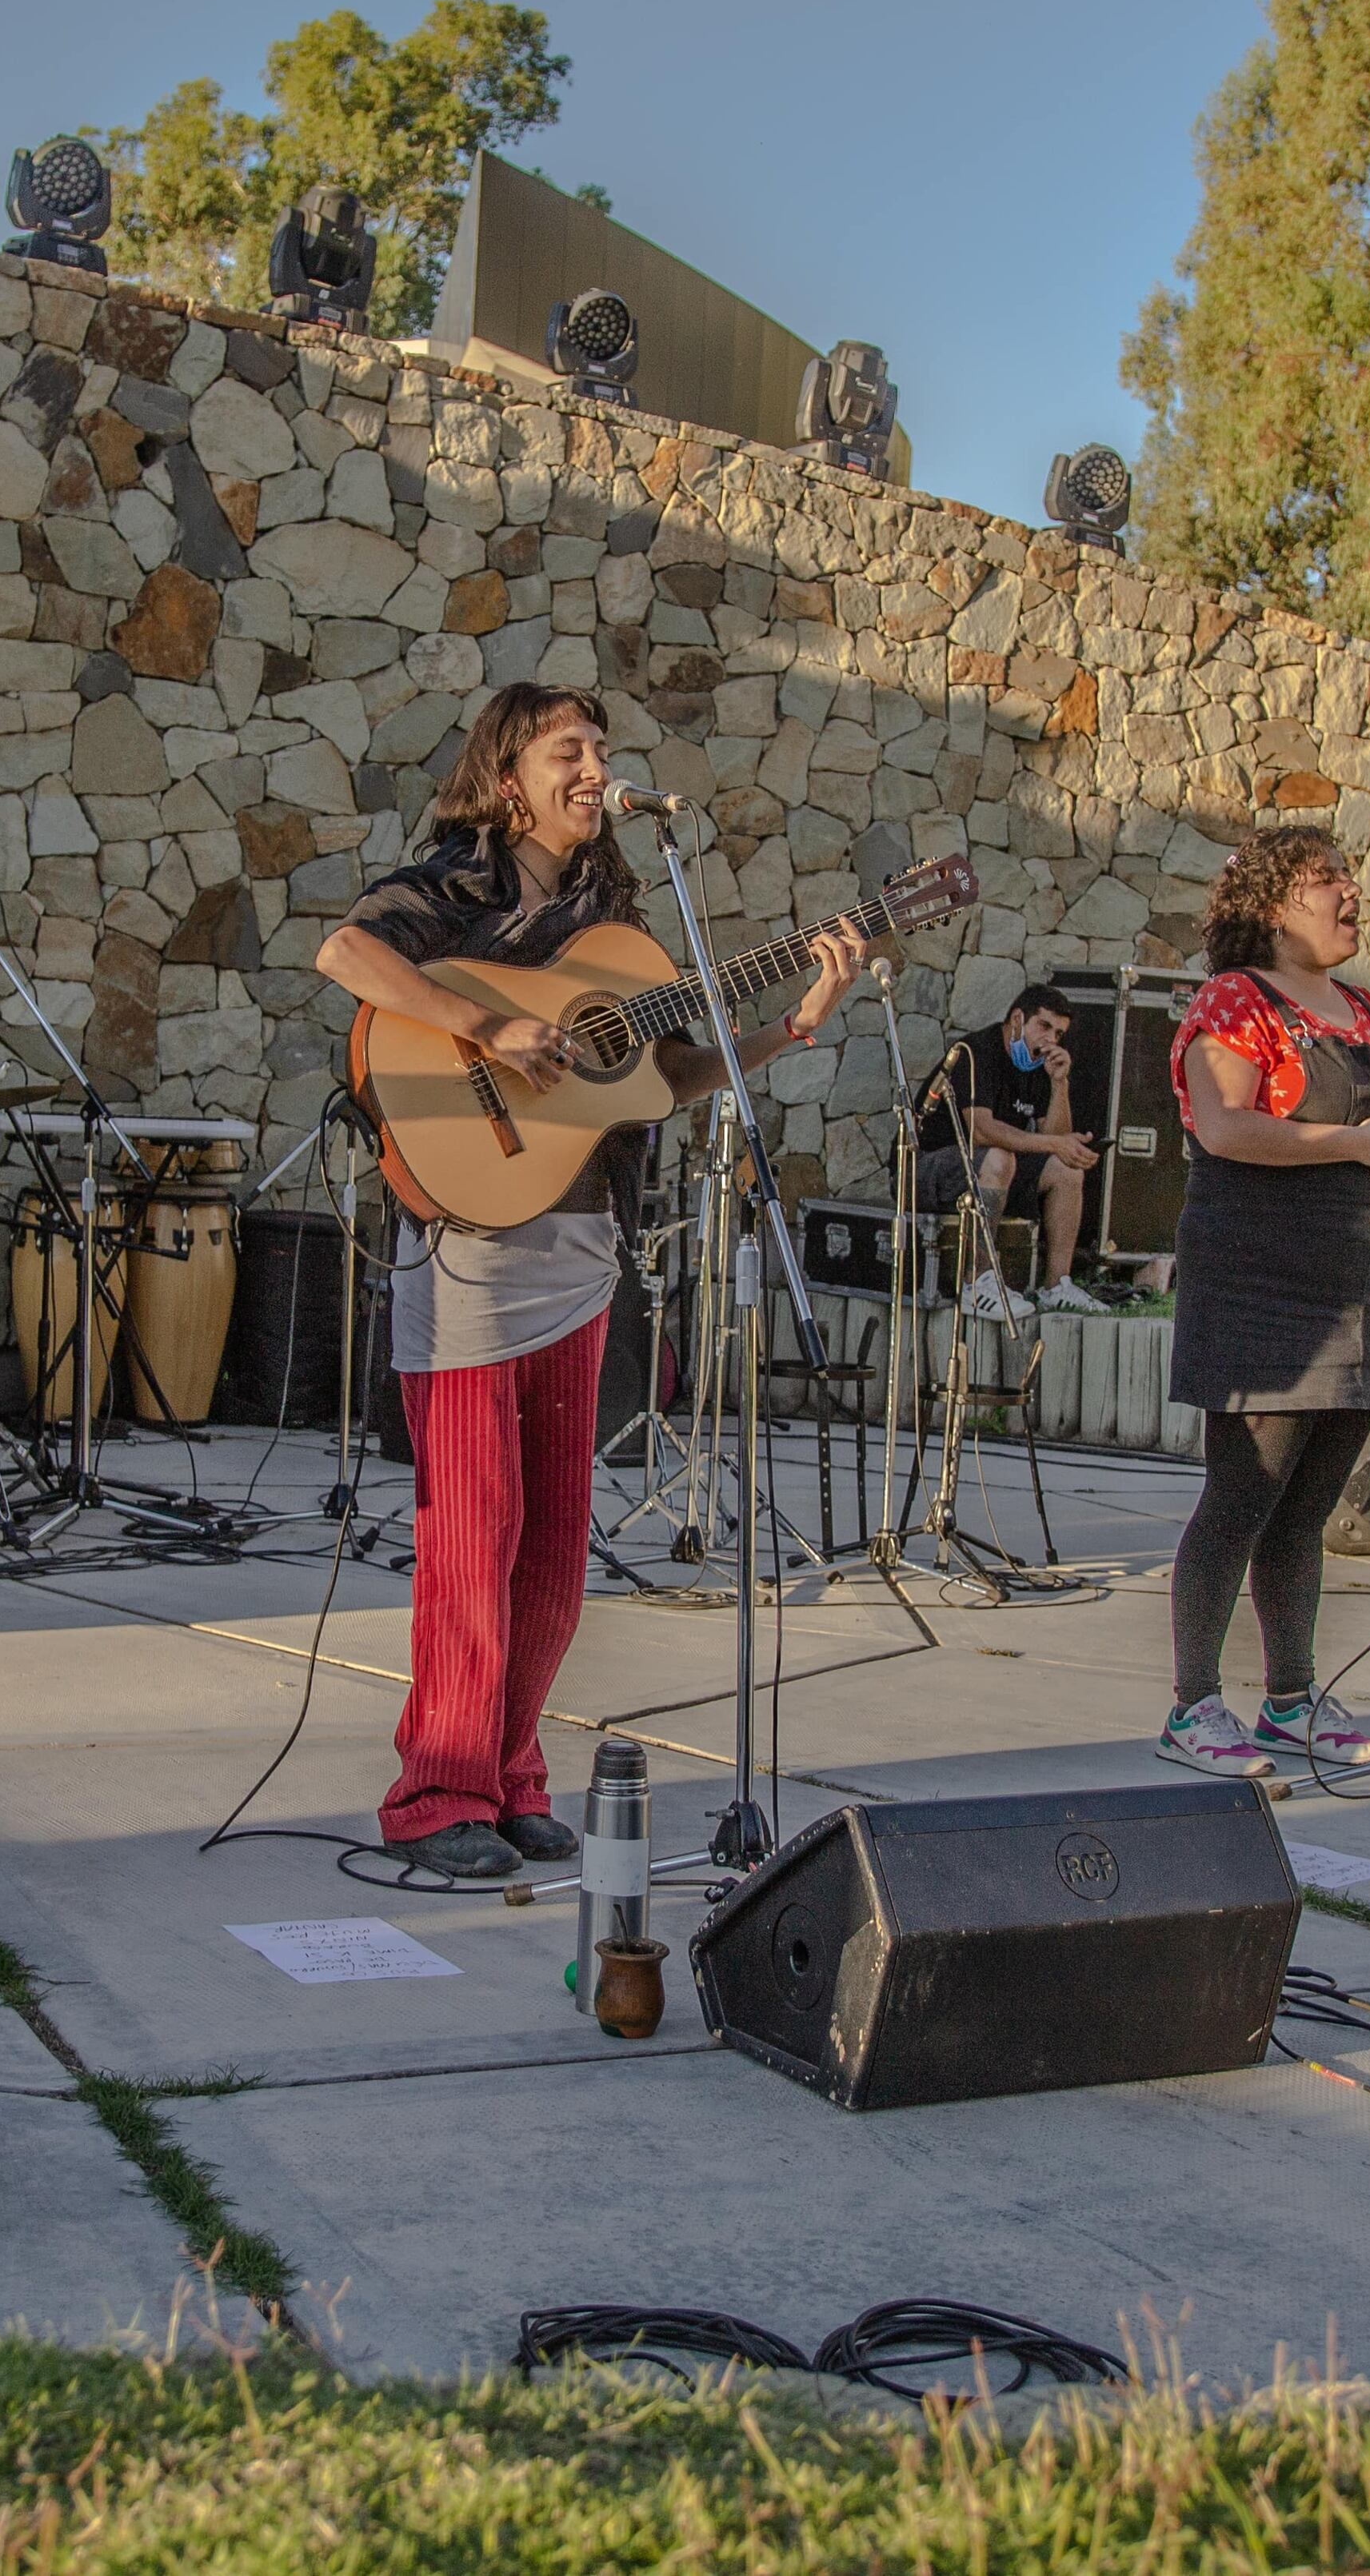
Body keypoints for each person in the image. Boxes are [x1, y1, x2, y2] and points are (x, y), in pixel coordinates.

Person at [316, 684, 858, 1880]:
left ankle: (510, 1775)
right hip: (465, 1249)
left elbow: (656, 1081)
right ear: (508, 776)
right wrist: (485, 1025)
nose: (596, 767)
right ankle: (435, 1794)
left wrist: (795, 1026)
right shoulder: (451, 884)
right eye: (571, 750)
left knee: (558, 1538)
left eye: (600, 748)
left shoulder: (620, 918)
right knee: (475, 1530)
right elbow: (344, 951)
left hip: (580, 1246)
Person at [1153, 825, 1370, 1779]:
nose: (1349, 894)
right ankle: (1191, 1708)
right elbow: (1224, 1126)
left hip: (1352, 1292)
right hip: (1260, 1287)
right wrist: (1350, 1145)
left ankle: (1289, 1701)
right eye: (1325, 880)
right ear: (1269, 907)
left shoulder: (1368, 1010)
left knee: (1307, 1511)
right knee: (1243, 1493)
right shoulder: (1235, 1002)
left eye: (1349, 878)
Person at [913, 982, 1107, 1315]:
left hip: (992, 1172)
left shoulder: (1036, 1066)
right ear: (1017, 1019)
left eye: (1059, 1034)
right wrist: (1054, 1142)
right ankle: (977, 1283)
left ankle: (1056, 1286)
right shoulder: (975, 1052)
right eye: (1044, 1026)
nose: (1050, 1040)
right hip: (929, 1169)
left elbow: (1055, 1140)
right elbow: (981, 1130)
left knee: (1066, 1169)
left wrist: (1060, 1083)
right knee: (999, 1157)